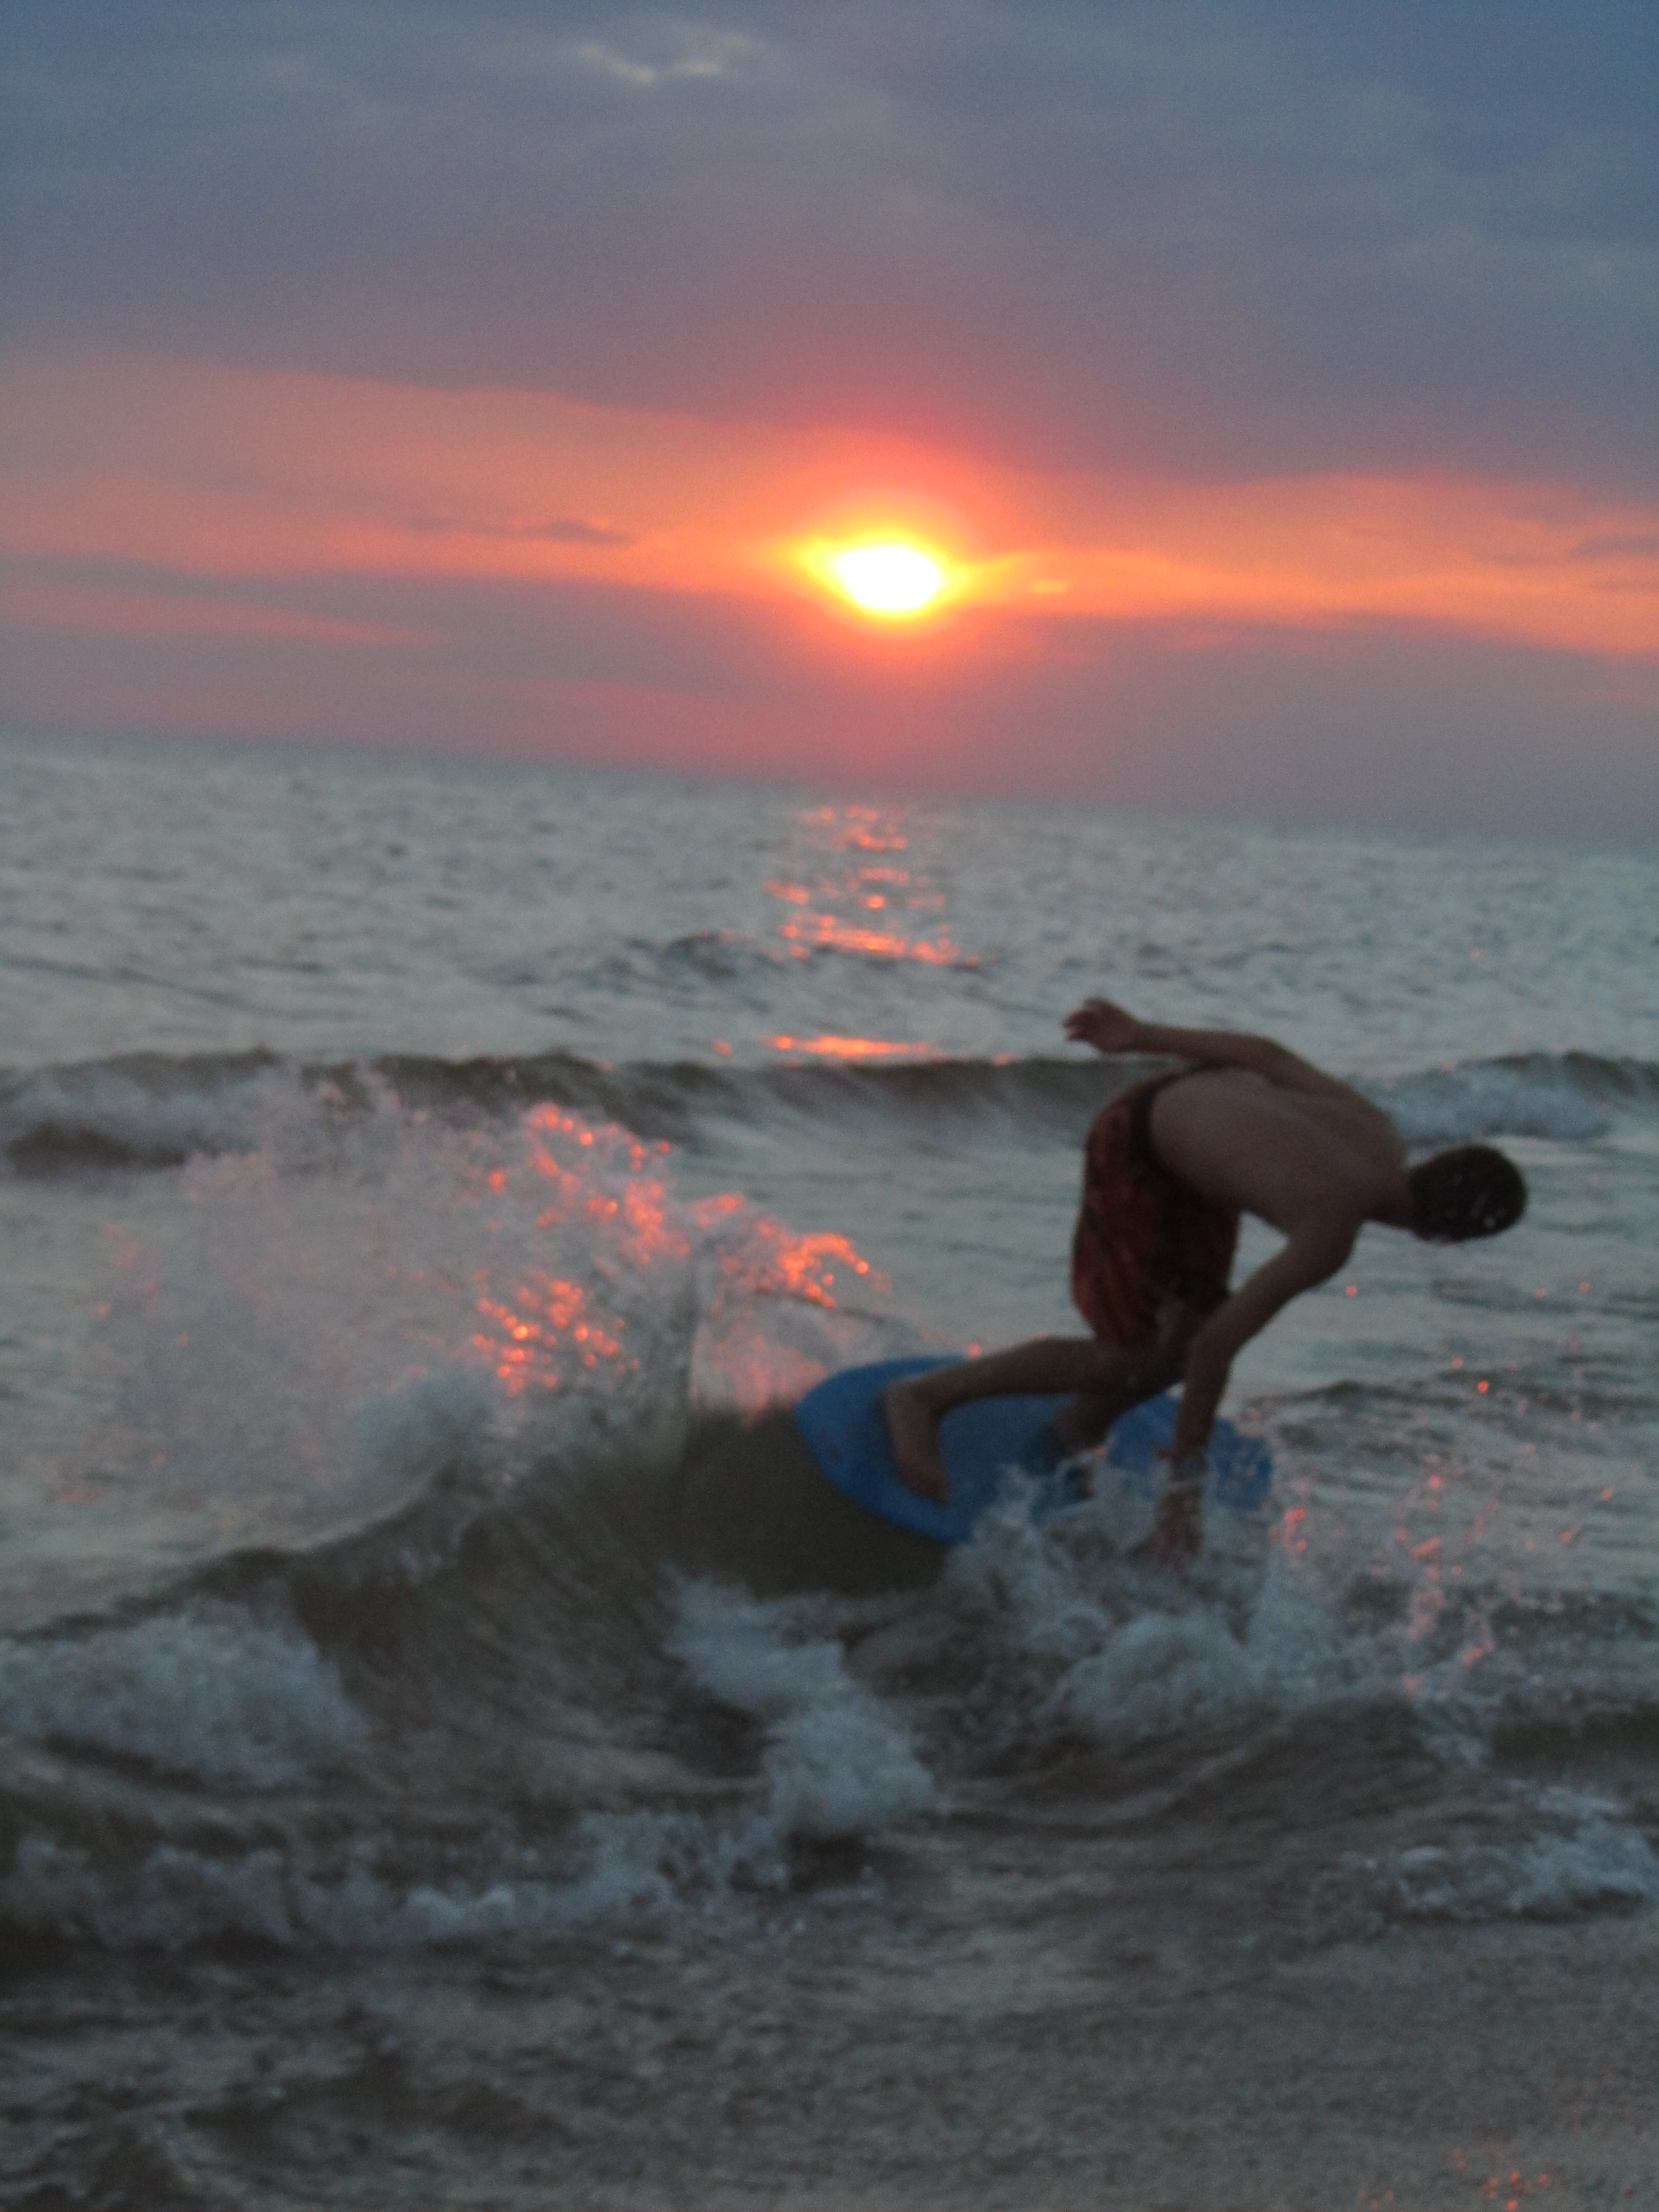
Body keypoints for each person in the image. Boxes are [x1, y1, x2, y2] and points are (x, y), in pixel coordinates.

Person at [882, 999, 1527, 1559]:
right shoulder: (1333, 1228)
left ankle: (1081, 1427)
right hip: (1137, 1144)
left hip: (1189, 1140)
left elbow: (1266, 1056)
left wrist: (1141, 1035)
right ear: (1445, 1238)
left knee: (1186, 1335)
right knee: (1130, 1356)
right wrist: (1183, 1494)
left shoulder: (1379, 1131)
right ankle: (926, 1397)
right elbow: (1222, 1348)